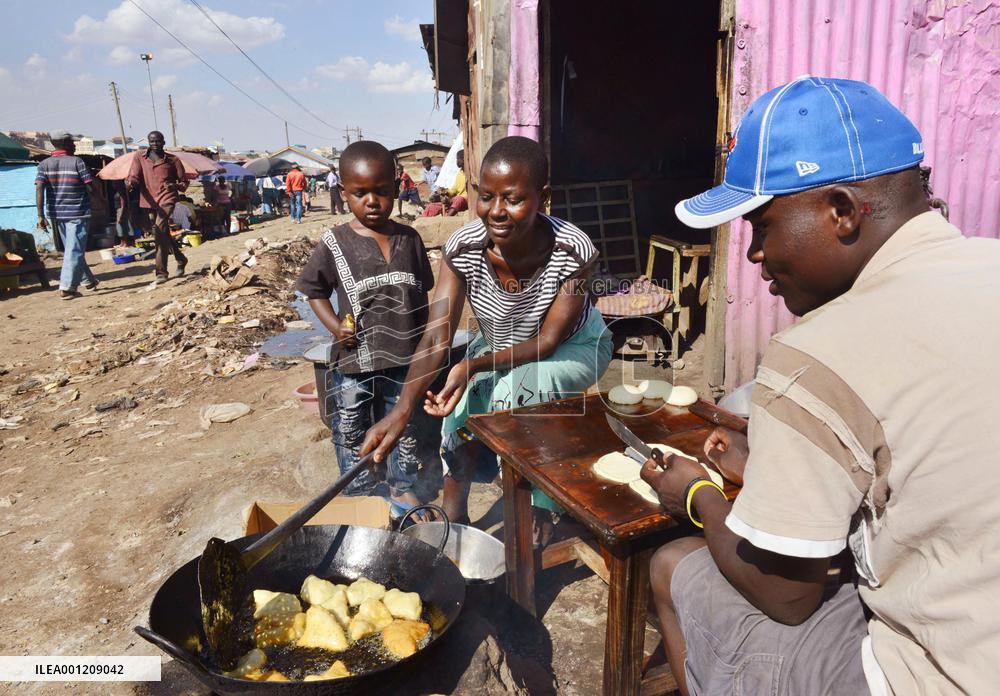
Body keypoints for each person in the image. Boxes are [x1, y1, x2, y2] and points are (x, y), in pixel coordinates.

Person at [643, 76, 1000, 696]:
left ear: (841, 211)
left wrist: (698, 495)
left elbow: (787, 595)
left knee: (672, 564)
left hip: (942, 679)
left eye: (762, 226)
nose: (754, 254)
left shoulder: (817, 350)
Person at [361, 136, 613, 527]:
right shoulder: (465, 248)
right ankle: (455, 514)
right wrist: (401, 411)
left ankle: (540, 510)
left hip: (574, 345)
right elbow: (437, 335)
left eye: (512, 199)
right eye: (487, 197)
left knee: (522, 390)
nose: (496, 212)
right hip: (503, 344)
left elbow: (548, 342)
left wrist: (473, 365)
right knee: (461, 404)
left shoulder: (573, 250)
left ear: (544, 197)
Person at [296, 141, 436, 520]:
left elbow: (422, 294)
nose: (372, 201)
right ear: (344, 192)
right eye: (360, 193)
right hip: (355, 361)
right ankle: (359, 493)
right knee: (351, 429)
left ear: (397, 187)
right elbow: (313, 291)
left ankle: (403, 488)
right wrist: (335, 326)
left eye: (382, 191)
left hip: (405, 360)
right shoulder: (334, 242)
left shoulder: (410, 239)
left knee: (404, 427)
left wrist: (426, 347)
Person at [35, 130, 99, 299]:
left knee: (72, 248)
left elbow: (39, 188)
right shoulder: (77, 162)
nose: (74, 145)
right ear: (64, 144)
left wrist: (40, 215)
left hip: (57, 213)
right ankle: (67, 288)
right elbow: (90, 186)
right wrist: (99, 198)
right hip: (78, 211)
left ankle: (88, 281)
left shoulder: (44, 164)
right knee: (74, 250)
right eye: (72, 142)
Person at [126, 130, 188, 282]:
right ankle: (180, 258)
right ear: (148, 143)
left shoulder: (173, 160)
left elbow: (184, 183)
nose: (155, 144)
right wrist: (131, 183)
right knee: (163, 232)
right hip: (149, 201)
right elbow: (134, 175)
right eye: (152, 141)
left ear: (163, 142)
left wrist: (175, 186)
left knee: (159, 231)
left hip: (167, 198)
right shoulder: (139, 157)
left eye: (158, 141)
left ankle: (161, 272)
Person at [441, 149, 467, 216]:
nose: (457, 161)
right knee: (434, 205)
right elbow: (454, 189)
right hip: (457, 199)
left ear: (464, 159)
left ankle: (447, 218)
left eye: (458, 159)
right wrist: (447, 192)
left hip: (465, 200)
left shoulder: (469, 174)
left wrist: (453, 199)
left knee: (458, 199)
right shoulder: (460, 173)